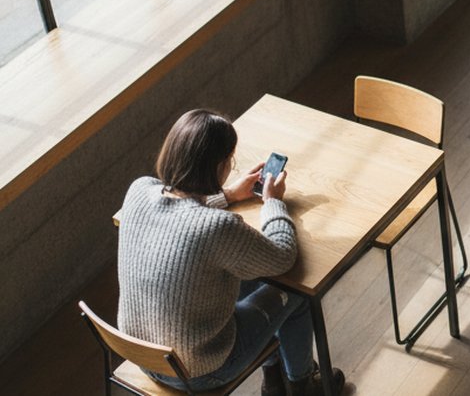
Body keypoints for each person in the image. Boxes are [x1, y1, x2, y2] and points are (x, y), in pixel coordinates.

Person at [117, 109, 345, 396]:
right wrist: (273, 202)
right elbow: (283, 256)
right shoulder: (217, 228)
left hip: (142, 355)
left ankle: (273, 382)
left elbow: (180, 216)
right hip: (200, 371)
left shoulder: (138, 190)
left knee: (247, 278)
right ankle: (303, 385)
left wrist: (227, 195)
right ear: (220, 166)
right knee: (298, 293)